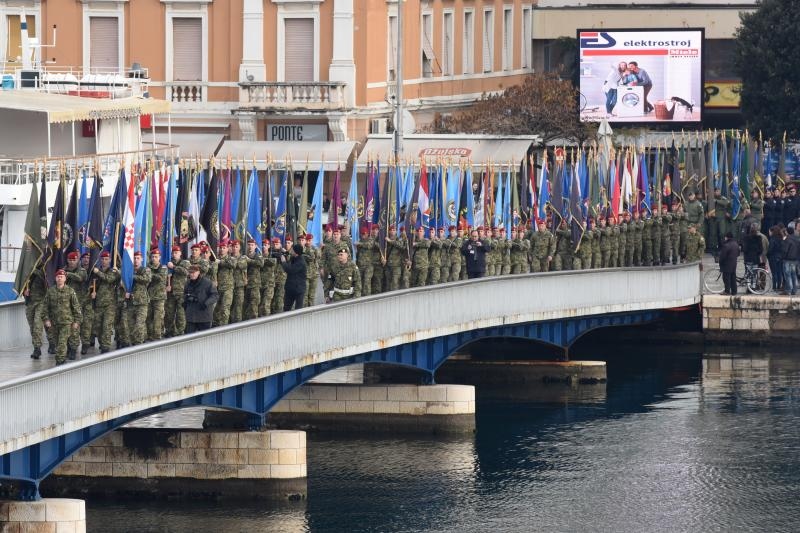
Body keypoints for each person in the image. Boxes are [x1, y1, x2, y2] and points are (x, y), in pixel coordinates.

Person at [42, 269, 82, 365]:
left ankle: (60, 361)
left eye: (62, 277)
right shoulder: (50, 291)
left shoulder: (70, 291)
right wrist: (46, 319)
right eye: (58, 277)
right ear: (55, 279)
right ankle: (61, 359)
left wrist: (77, 321)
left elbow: (76, 307)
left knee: (62, 342)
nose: (60, 279)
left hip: (66, 323)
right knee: (56, 342)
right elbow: (44, 307)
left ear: (65, 279)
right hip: (54, 323)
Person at [91, 251, 119, 353]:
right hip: (99, 304)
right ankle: (102, 343)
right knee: (97, 327)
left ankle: (105, 347)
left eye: (106, 259)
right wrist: (92, 293)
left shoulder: (112, 271)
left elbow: (109, 279)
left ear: (110, 260)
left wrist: (98, 272)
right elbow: (92, 285)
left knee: (107, 326)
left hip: (110, 304)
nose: (104, 261)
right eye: (102, 259)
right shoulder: (95, 272)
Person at [183, 265, 218, 333]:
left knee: (205, 339)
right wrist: (186, 300)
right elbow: (184, 295)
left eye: (194, 272)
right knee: (189, 338)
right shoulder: (187, 283)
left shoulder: (207, 283)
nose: (192, 274)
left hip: (204, 316)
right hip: (191, 317)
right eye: (190, 272)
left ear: (198, 272)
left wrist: (205, 303)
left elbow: (215, 295)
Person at [164, 245, 190, 337]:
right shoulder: (167, 263)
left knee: (180, 314)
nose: (174, 255)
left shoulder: (184, 262)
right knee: (169, 314)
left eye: (176, 253)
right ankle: (169, 331)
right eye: (173, 253)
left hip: (181, 292)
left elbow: (186, 272)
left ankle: (180, 332)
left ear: (180, 253)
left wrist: (174, 267)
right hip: (170, 293)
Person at [282, 243, 308, 311]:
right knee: (286, 308)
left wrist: (284, 262)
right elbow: (290, 256)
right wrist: (285, 252)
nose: (291, 250)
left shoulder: (301, 262)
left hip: (298, 289)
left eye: (292, 250)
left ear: (296, 252)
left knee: (298, 310)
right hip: (290, 288)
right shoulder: (295, 258)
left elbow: (290, 270)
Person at [781, 227, 800, 296]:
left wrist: (782, 257)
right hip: (795, 259)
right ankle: (794, 290)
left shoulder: (787, 239)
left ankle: (789, 290)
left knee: (788, 275)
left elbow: (785, 250)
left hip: (787, 259)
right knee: (794, 274)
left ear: (787, 232)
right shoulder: (797, 239)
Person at [767, 226, 784, 291]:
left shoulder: (772, 239)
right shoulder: (781, 238)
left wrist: (767, 254)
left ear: (772, 232)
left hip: (773, 257)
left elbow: (770, 249)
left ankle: (774, 286)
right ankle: (779, 286)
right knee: (779, 272)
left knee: (774, 272)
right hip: (780, 257)